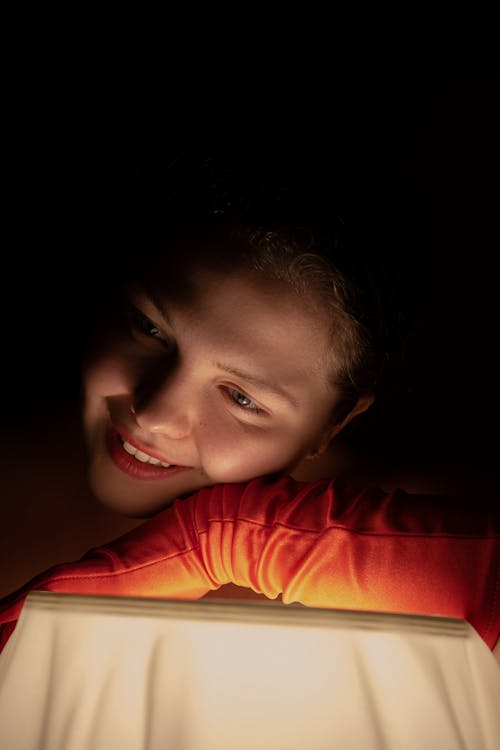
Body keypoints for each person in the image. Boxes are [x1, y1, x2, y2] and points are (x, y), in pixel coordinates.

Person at [0, 150, 498, 666]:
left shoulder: (437, 552)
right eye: (150, 329)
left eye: (241, 398)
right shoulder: (14, 464)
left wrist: (235, 537)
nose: (152, 414)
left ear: (335, 424)